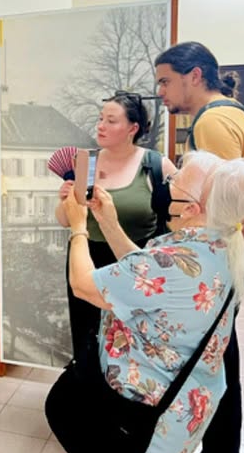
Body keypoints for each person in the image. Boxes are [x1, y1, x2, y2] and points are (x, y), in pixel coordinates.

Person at [62, 150, 244, 453]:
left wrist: (79, 227)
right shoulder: (218, 247)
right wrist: (109, 221)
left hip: (145, 422)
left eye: (176, 183)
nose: (168, 185)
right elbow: (146, 279)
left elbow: (83, 285)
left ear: (191, 209)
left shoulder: (173, 262)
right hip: (184, 410)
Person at [155, 41, 244, 453]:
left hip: (221, 258)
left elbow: (231, 199)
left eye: (166, 81)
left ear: (195, 75)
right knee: (219, 358)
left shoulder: (211, 121)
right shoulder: (236, 112)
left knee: (216, 364)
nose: (161, 92)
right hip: (231, 255)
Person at [55, 91, 176, 358]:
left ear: (133, 128)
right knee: (87, 337)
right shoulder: (85, 162)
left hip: (134, 259)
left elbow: (181, 216)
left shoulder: (156, 166)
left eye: (111, 121)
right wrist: (65, 199)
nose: (101, 126)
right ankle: (87, 379)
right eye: (100, 119)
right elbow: (64, 220)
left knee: (133, 340)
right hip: (87, 258)